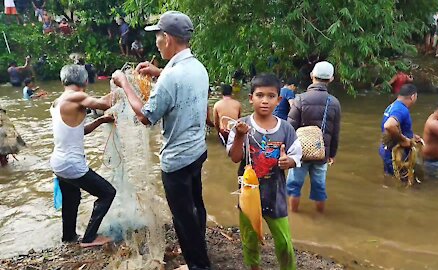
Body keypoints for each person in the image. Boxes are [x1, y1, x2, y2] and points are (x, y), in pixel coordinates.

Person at [112, 11, 211, 270]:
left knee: (182, 218)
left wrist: (124, 83)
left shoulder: (171, 76)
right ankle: (198, 249)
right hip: (197, 151)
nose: (156, 41)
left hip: (177, 161)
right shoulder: (197, 67)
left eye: (158, 35)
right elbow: (179, 91)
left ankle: (199, 266)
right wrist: (158, 72)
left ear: (167, 38)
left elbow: (146, 116)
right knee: (196, 205)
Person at [227, 73, 301, 270]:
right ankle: (254, 267)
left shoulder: (286, 129)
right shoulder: (241, 125)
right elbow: (234, 157)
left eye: (271, 96)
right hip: (248, 194)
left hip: (275, 194)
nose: (265, 100)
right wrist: (240, 137)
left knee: (284, 242)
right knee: (249, 238)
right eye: (260, 95)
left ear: (279, 99)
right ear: (251, 98)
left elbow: (296, 155)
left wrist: (289, 162)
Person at [50, 65, 116, 248]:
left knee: (72, 198)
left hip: (58, 163)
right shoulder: (76, 96)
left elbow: (79, 131)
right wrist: (122, 83)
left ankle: (69, 237)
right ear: (85, 82)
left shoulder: (58, 101)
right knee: (107, 193)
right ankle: (89, 239)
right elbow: (105, 104)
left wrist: (101, 120)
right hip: (71, 164)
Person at [287, 61, 341, 213]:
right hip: (321, 152)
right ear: (330, 79)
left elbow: (290, 128)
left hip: (300, 152)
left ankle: (294, 215)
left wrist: (288, 151)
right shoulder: (334, 103)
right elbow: (335, 132)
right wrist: (332, 154)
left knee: (294, 186)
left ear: (312, 76)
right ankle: (320, 219)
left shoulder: (300, 99)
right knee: (319, 187)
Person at [379, 84, 422, 176]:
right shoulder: (401, 109)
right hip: (395, 153)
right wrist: (404, 140)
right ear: (413, 96)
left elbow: (395, 128)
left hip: (386, 150)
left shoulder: (392, 106)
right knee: (401, 182)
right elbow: (389, 126)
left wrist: (411, 136)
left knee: (390, 178)